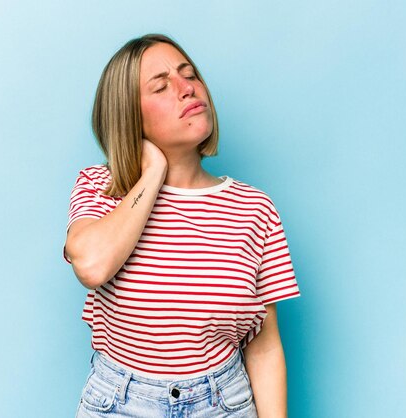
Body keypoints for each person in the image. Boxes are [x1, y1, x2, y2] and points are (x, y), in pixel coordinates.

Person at [63, 33, 301, 417]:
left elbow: (264, 343)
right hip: (121, 404)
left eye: (189, 75)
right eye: (161, 85)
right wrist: (153, 171)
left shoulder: (254, 208)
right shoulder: (101, 188)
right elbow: (91, 266)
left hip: (224, 402)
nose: (186, 88)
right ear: (129, 117)